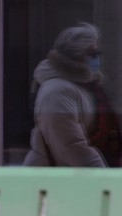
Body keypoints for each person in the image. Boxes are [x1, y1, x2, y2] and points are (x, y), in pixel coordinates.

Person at [24, 22, 122, 167]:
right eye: (93, 54)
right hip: (57, 184)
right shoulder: (57, 92)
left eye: (98, 54)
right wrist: (105, 182)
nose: (97, 59)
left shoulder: (85, 86)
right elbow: (71, 148)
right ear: (76, 56)